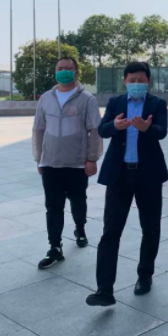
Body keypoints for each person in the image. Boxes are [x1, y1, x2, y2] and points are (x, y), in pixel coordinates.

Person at [86, 62, 168, 307]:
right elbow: (102, 130)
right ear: (125, 81)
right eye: (132, 80)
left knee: (150, 228)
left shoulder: (157, 104)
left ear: (148, 81)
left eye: (141, 80)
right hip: (119, 175)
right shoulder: (116, 103)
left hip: (148, 175)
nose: (136, 84)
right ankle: (104, 289)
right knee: (111, 231)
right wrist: (115, 126)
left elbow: (162, 131)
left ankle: (145, 276)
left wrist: (147, 128)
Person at [32, 57, 103, 269]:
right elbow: (38, 129)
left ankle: (80, 228)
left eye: (68, 68)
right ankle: (55, 247)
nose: (63, 71)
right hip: (51, 163)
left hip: (77, 164)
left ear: (76, 72)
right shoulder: (46, 98)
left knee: (78, 201)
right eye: (60, 68)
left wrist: (92, 159)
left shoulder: (87, 99)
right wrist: (39, 158)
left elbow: (95, 130)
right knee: (53, 206)